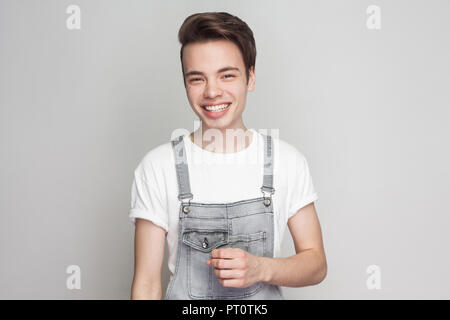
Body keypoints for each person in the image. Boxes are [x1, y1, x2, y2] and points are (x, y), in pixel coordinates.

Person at [129, 12, 327, 300]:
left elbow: (316, 264)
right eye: (197, 78)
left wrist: (261, 268)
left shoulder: (287, 162)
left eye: (227, 75)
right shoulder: (158, 167)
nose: (212, 91)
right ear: (186, 84)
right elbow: (146, 285)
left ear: (251, 77)